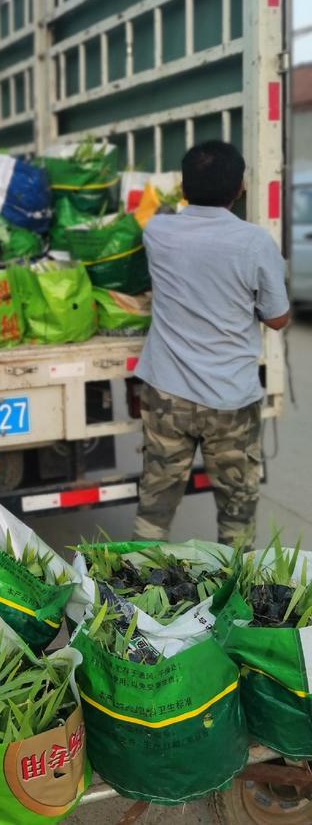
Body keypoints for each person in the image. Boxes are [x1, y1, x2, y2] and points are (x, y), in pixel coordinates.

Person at [133, 140, 290, 548]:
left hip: (167, 393)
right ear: (240, 188)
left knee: (154, 508)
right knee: (236, 514)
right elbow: (277, 318)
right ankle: (233, 598)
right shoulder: (255, 243)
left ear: (183, 187)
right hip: (230, 401)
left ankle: (131, 591)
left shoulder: (158, 231)